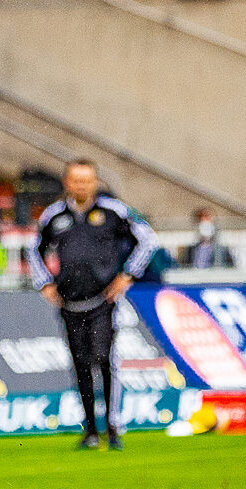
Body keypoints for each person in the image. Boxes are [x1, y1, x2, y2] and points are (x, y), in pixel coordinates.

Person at [26, 158, 159, 451]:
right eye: (76, 180)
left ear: (95, 182)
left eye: (87, 180)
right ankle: (90, 430)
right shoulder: (54, 215)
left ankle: (112, 427)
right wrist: (44, 283)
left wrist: (128, 275)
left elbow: (148, 239)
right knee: (81, 364)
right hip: (70, 302)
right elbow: (33, 249)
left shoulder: (113, 211)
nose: (82, 185)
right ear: (67, 183)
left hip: (103, 300)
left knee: (103, 358)